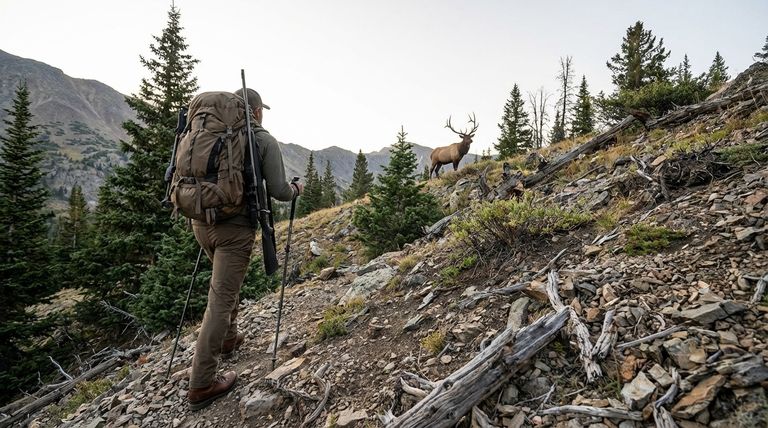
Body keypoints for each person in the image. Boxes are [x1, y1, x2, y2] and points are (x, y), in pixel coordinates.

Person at [187, 88, 302, 411]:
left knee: (224, 287)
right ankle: (201, 383)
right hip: (234, 230)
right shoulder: (262, 140)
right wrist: (296, 189)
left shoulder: (207, 130)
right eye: (261, 109)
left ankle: (228, 338)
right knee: (220, 299)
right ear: (255, 110)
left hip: (200, 222)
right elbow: (279, 191)